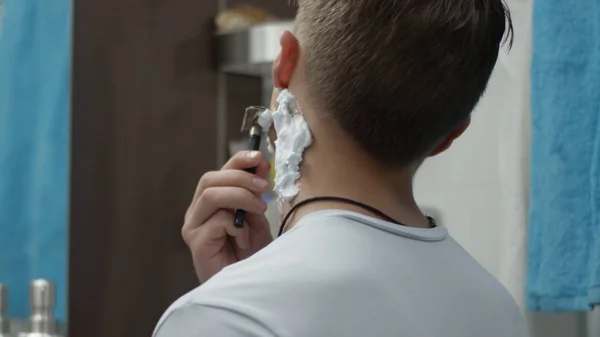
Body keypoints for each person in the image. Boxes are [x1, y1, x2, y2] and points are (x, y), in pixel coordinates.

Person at [154, 0, 529, 336]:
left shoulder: (228, 316)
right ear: (451, 135)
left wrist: (230, 297)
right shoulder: (497, 311)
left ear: (284, 65)